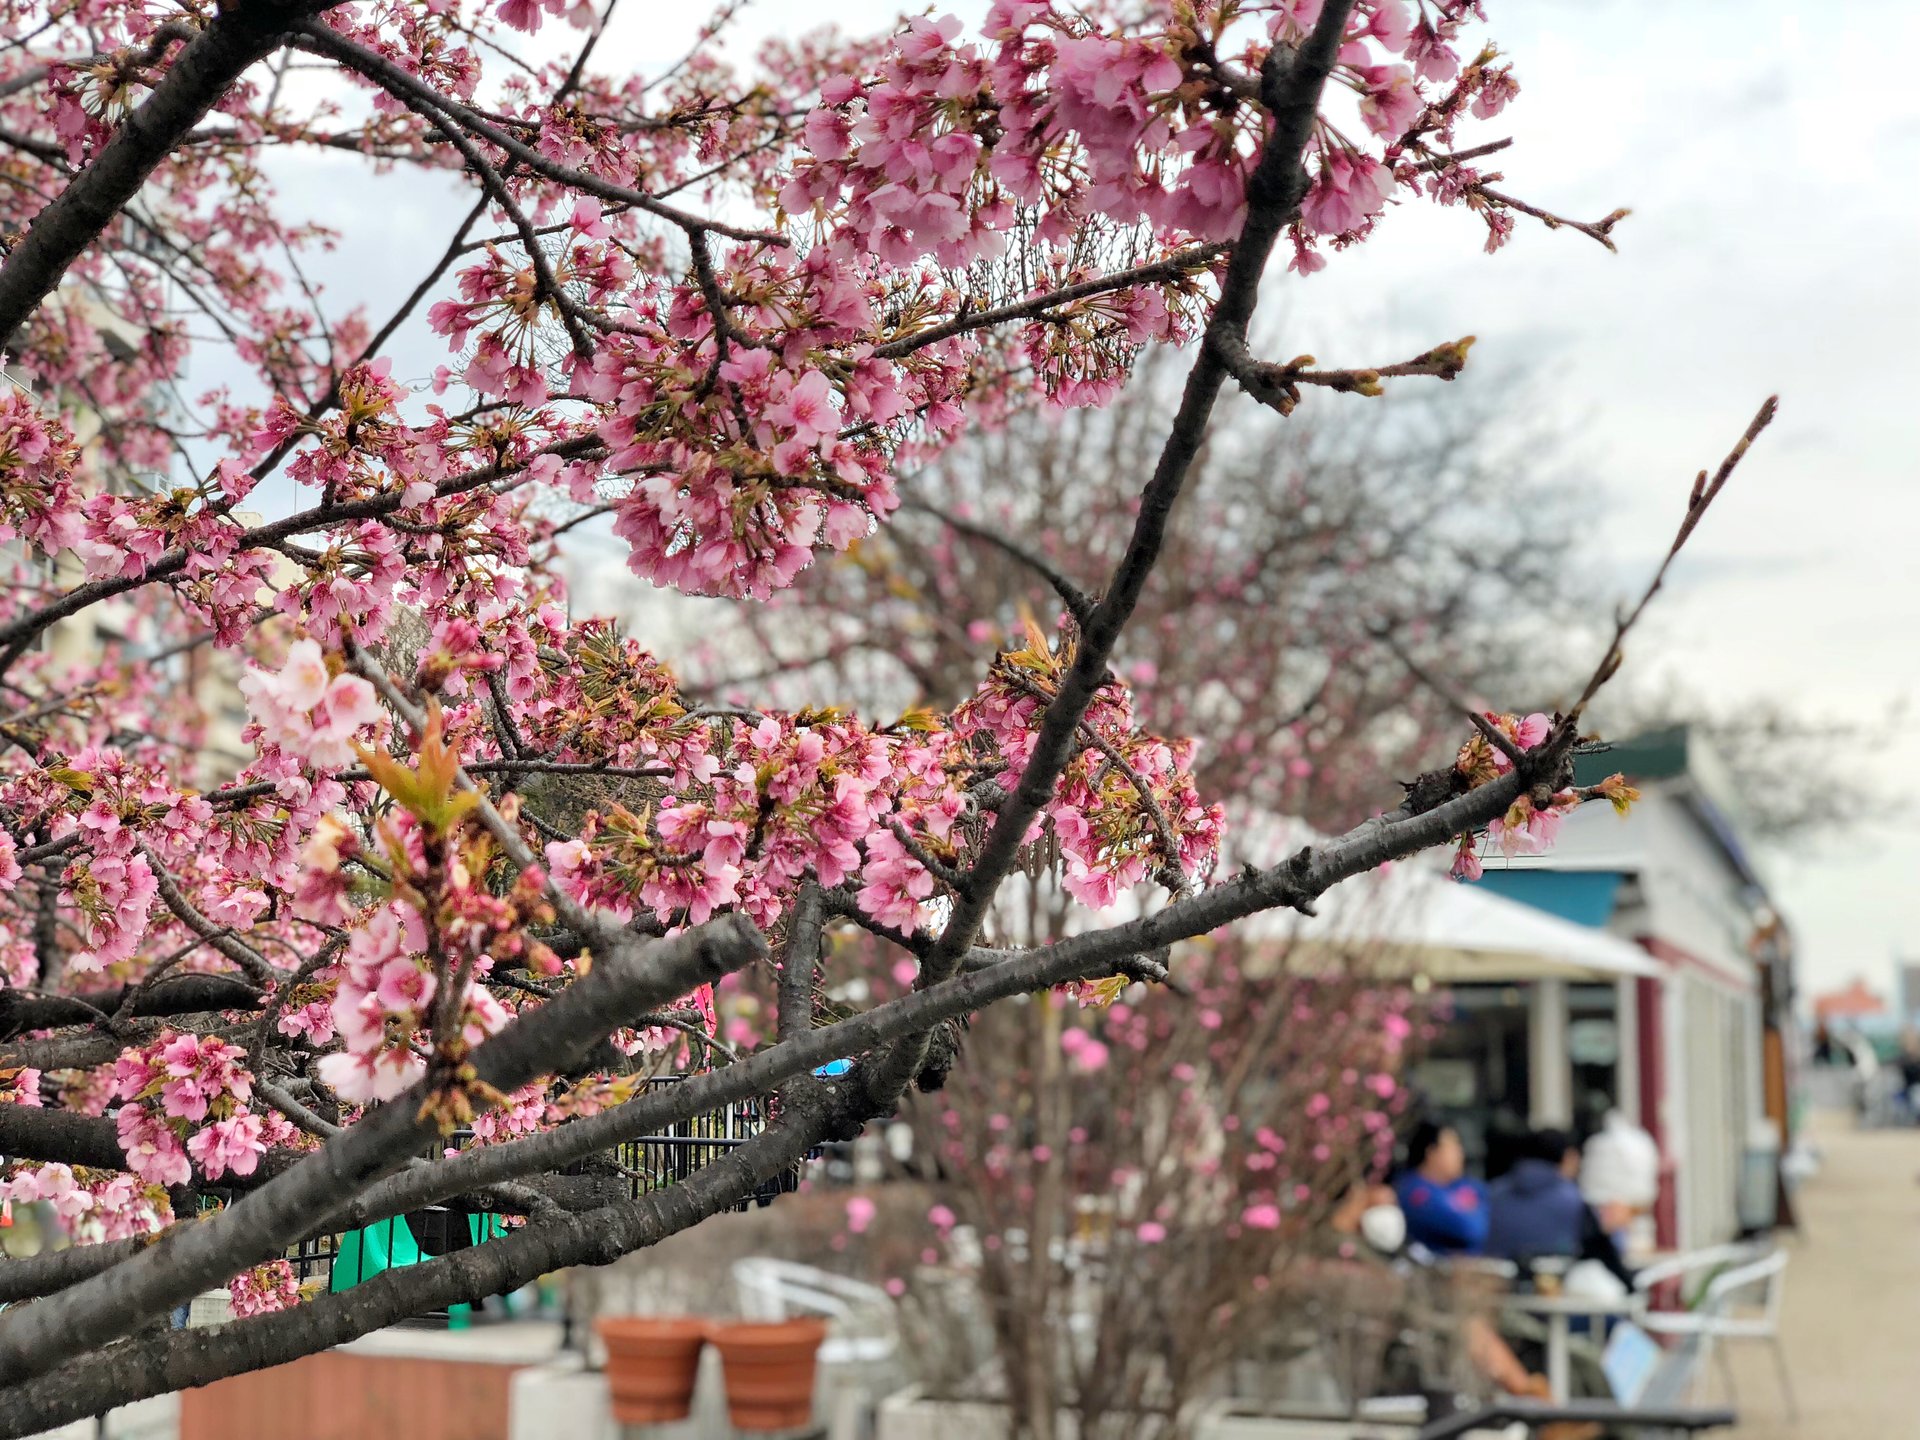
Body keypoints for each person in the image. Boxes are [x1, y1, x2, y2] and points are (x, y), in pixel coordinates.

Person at [1487, 1129, 1634, 1290]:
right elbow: (1604, 1251)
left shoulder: (1493, 1194)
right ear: (1567, 1157)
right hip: (1557, 1299)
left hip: (1496, 1297)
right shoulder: (1573, 1200)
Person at [1393, 1120, 1488, 1255]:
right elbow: (1472, 1229)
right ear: (1431, 1153)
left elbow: (1494, 1217)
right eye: (1452, 1147)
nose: (1460, 1153)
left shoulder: (1463, 1184)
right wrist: (1468, 1210)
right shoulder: (1414, 1190)